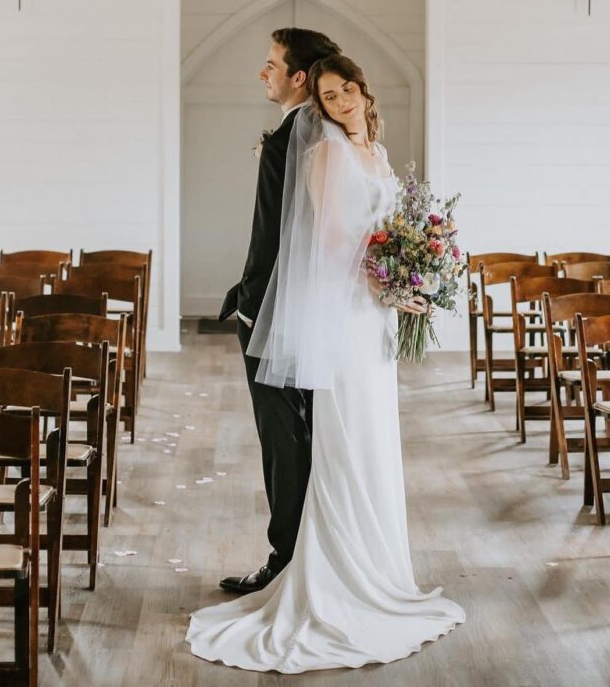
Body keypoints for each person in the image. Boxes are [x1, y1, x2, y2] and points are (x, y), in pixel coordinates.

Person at [188, 53, 464, 673]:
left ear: (365, 92)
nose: (339, 105)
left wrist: (416, 273)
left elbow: (390, 228)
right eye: (328, 98)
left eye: (346, 93)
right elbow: (332, 240)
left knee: (374, 438)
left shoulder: (379, 158)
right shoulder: (326, 155)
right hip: (349, 314)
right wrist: (392, 281)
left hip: (375, 318)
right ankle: (336, 578)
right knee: (345, 438)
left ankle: (382, 568)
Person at [218, 27, 341, 595]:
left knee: (282, 438)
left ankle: (285, 559)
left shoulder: (293, 136)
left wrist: (248, 303)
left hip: (274, 311)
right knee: (305, 432)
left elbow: (271, 233)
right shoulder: (323, 133)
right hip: (312, 307)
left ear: (299, 76)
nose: (261, 72)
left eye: (271, 64)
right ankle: (312, 554)